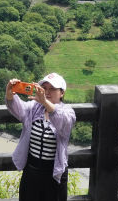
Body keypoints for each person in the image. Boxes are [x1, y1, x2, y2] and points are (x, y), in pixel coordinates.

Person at [6, 72, 77, 201]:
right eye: (44, 88)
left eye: (52, 89)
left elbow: (64, 122)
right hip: (31, 171)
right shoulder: (34, 107)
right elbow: (19, 109)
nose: (47, 92)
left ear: (62, 93)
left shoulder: (67, 111)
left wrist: (45, 102)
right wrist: (10, 94)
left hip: (54, 173)